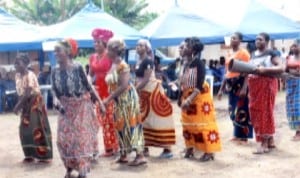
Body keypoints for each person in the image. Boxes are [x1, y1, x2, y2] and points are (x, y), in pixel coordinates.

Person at [51, 39, 105, 178]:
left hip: (81, 107)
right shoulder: (54, 70)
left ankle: (83, 169)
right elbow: (54, 91)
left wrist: (100, 103)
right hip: (65, 109)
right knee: (63, 140)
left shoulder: (77, 67)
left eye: (58, 51)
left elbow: (89, 87)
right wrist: (56, 101)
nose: (55, 53)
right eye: (55, 51)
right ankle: (70, 167)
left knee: (81, 139)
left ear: (67, 52)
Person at [103, 38, 146, 166]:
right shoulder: (113, 64)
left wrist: (109, 98)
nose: (106, 51)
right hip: (118, 100)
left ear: (114, 51)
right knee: (120, 125)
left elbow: (123, 85)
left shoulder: (123, 65)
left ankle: (140, 155)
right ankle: (123, 154)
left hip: (127, 99)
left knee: (131, 124)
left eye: (108, 49)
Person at [179, 37, 221, 162]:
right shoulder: (185, 63)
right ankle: (190, 148)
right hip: (187, 96)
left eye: (186, 46)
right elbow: (182, 82)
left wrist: (189, 100)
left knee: (202, 125)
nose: (183, 48)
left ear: (192, 49)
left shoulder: (199, 63)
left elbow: (199, 85)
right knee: (188, 124)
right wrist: (180, 98)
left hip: (199, 98)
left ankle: (209, 151)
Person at [135, 39, 176, 158]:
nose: (138, 47)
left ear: (147, 48)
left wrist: (135, 88)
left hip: (151, 92)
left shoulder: (148, 61)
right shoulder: (138, 61)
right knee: (143, 120)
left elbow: (146, 79)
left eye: (141, 45)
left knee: (157, 119)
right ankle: (145, 148)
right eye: (137, 45)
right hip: (142, 93)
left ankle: (167, 149)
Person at [248, 32, 284, 154]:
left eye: (260, 39)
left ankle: (263, 143)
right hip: (254, 88)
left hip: (267, 86)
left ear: (267, 42)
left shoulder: (271, 54)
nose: (257, 41)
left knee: (265, 112)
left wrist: (265, 69)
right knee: (254, 111)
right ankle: (269, 139)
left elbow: (281, 67)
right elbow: (249, 70)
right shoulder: (253, 54)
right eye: (256, 39)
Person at [13, 53, 52, 163]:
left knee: (36, 127)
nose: (16, 65)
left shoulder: (30, 75)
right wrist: (20, 104)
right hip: (24, 102)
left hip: (35, 101)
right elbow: (20, 93)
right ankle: (29, 154)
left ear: (25, 64)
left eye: (18, 63)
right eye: (15, 63)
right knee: (24, 128)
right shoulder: (17, 76)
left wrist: (17, 106)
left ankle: (44, 155)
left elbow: (28, 93)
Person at [217, 32, 253, 143]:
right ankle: (237, 134)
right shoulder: (229, 53)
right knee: (232, 109)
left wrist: (244, 87)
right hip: (230, 84)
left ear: (240, 40)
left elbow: (248, 70)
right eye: (231, 38)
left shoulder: (244, 53)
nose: (232, 40)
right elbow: (227, 72)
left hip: (240, 83)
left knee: (242, 109)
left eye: (234, 38)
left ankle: (244, 136)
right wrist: (220, 89)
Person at [89, 28, 119, 157]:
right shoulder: (92, 57)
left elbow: (117, 71)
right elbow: (90, 74)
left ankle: (112, 148)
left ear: (105, 44)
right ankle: (110, 147)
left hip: (109, 89)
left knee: (110, 119)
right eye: (95, 42)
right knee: (101, 119)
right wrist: (88, 83)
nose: (95, 45)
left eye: (98, 42)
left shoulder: (110, 56)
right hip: (98, 91)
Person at [285, 43, 300, 141]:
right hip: (290, 84)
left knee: (299, 107)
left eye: (296, 46)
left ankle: (299, 133)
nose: (294, 48)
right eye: (293, 46)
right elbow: (284, 70)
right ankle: (297, 131)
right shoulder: (288, 58)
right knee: (292, 108)